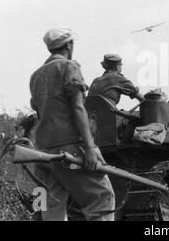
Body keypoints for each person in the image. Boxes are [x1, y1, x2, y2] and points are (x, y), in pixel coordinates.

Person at [29, 28, 115, 221]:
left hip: (42, 152)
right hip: (68, 149)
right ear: (69, 45)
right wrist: (90, 148)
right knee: (102, 197)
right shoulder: (69, 67)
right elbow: (77, 108)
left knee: (50, 210)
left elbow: (39, 110)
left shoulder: (36, 76)